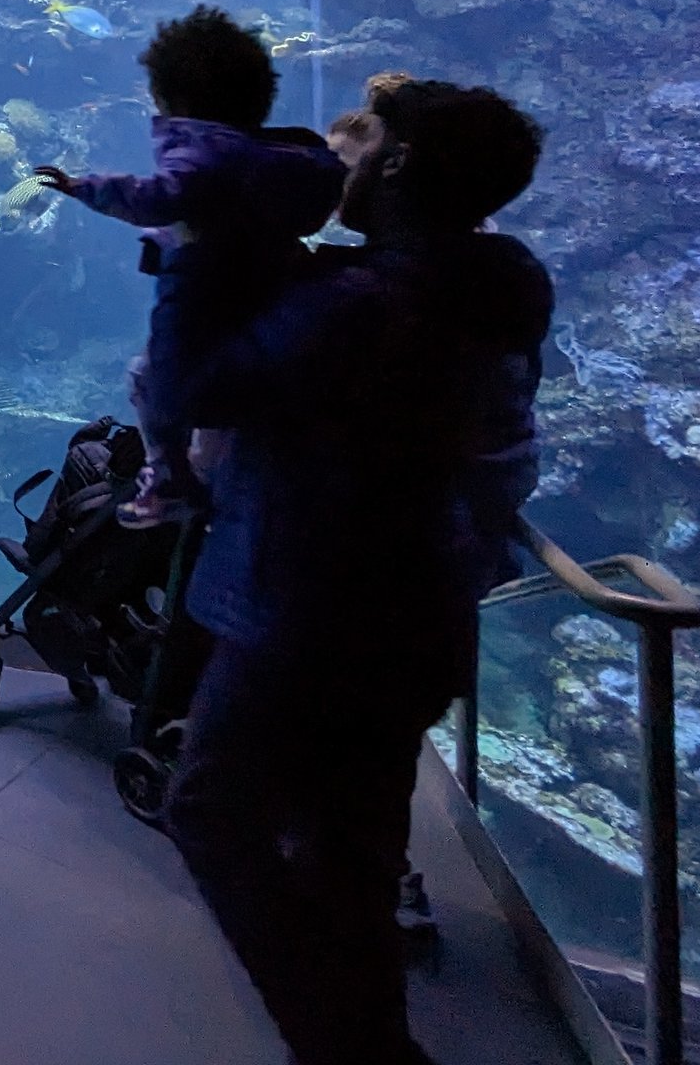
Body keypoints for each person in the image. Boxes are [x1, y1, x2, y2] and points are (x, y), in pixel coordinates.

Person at [163, 74, 551, 1065]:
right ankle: (374, 1041)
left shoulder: (354, 302)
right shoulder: (497, 288)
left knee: (211, 811)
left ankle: (351, 1051)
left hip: (302, 611)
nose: (346, 156)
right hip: (422, 617)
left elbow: (189, 391)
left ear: (403, 163)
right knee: (355, 856)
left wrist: (198, 263)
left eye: (365, 141)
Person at [33, 5, 347, 525]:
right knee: (214, 388)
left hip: (199, 284)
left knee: (156, 383)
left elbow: (164, 196)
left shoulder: (202, 149)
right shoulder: (273, 154)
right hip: (261, 285)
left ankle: (170, 478)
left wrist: (82, 188)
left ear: (168, 96)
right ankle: (202, 465)